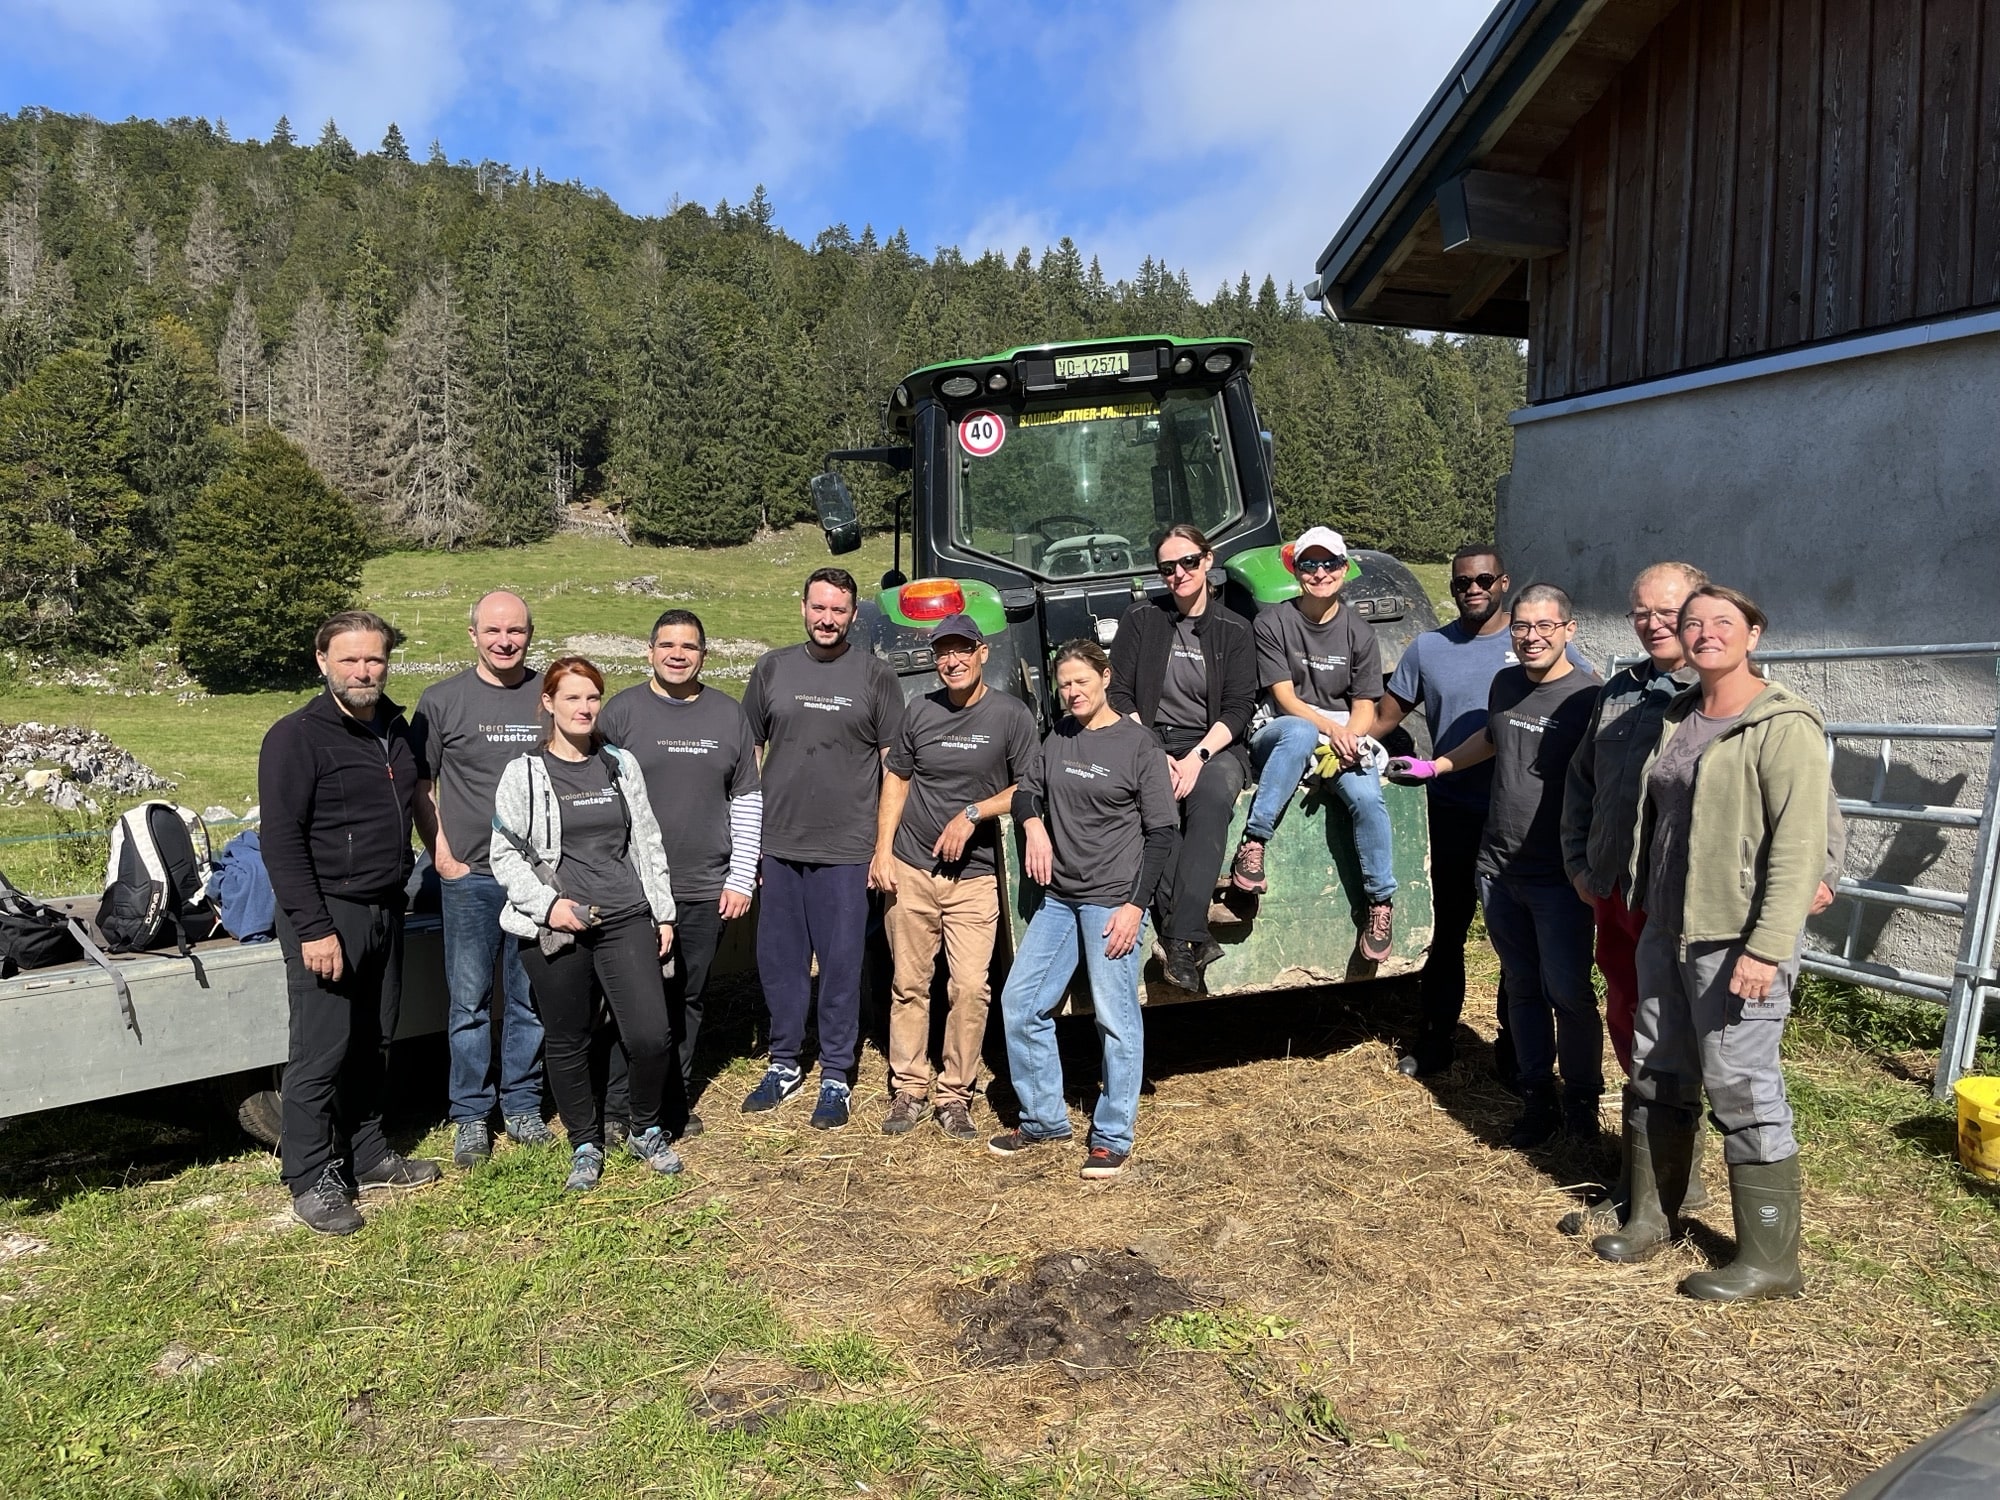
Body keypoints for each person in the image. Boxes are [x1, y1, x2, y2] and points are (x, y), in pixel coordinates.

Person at [1562, 563, 1842, 1232]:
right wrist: (1581, 861)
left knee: (1731, 1066)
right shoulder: (1626, 696)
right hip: (1634, 898)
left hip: (1716, 911)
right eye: (1641, 612)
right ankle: (1650, 1191)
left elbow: (1807, 812)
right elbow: (1583, 783)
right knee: (1643, 1038)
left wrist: (1813, 877)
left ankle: (1720, 1216)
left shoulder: (1755, 708)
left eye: (1673, 612)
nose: (1657, 624)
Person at [1388, 583, 1603, 1148]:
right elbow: (1492, 737)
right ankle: (1536, 1099)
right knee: (1524, 989)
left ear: (1568, 631)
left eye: (1545, 627)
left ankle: (1582, 1104)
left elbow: (1606, 786)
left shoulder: (1589, 698)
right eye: (1523, 628)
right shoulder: (1506, 684)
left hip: (1559, 875)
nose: (1532, 637)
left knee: (1570, 994)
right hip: (1499, 865)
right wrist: (1437, 765)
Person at [259, 610, 439, 1235]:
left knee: (376, 1039)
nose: (365, 671)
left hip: (387, 904)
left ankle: (366, 1152)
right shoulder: (297, 737)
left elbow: (419, 801)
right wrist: (313, 927)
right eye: (351, 660)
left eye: (375, 660)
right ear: (322, 662)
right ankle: (310, 1177)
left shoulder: (394, 725)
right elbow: (280, 840)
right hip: (328, 909)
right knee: (321, 1049)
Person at [489, 656, 683, 1191]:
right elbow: (504, 855)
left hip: (625, 916)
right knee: (568, 1037)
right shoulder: (523, 773)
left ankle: (644, 1127)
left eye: (592, 697)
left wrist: (662, 912)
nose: (584, 707)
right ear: (548, 703)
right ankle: (585, 1142)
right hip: (558, 924)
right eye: (571, 697)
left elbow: (647, 840)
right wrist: (548, 907)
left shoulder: (620, 764)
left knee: (649, 1035)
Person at [992, 640, 1178, 1179]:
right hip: (1060, 900)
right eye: (1064, 684)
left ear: (1105, 677)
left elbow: (1162, 832)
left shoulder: (1138, 744)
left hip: (1111, 901)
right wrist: (1032, 826)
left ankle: (1113, 1134)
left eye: (1081, 681)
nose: (1072, 692)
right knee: (1021, 1003)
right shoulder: (1058, 738)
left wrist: (1133, 908)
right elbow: (1028, 792)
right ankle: (1044, 1118)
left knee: (1115, 1019)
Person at [740, 567, 905, 1130]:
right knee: (781, 962)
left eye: (838, 610)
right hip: (780, 845)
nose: (827, 619)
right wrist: (749, 845)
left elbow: (893, 768)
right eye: (818, 608)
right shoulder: (773, 669)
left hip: (847, 846)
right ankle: (784, 1062)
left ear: (854, 615)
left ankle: (836, 1073)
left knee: (840, 965)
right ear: (803, 608)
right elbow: (749, 756)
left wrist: (883, 846)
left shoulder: (876, 676)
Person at [870, 613, 1039, 1141]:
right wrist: (882, 852)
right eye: (943, 651)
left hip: (975, 878)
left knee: (969, 987)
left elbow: (1027, 787)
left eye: (962, 649)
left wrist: (973, 814)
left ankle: (954, 1093)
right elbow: (896, 779)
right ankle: (909, 1088)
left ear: (982, 652)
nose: (952, 660)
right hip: (911, 869)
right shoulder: (919, 710)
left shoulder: (1011, 715)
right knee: (909, 984)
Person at [597, 608, 762, 1143]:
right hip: (632, 889)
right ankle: (620, 1107)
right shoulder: (620, 713)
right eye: (666, 644)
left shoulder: (726, 715)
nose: (676, 654)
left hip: (701, 884)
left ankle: (674, 1099)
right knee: (632, 1000)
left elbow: (746, 798)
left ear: (703, 656)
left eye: (688, 647)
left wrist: (740, 876)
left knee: (687, 997)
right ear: (649, 652)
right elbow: (593, 797)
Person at [412, 589, 553, 1170]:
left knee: (529, 998)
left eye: (515, 631)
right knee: (469, 1002)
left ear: (530, 633)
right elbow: (421, 787)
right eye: (493, 631)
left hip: (540, 879)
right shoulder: (442, 700)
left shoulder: (549, 695)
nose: (505, 641)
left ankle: (522, 1107)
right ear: (472, 634)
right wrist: (442, 856)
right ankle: (470, 1116)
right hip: (470, 876)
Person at [1231, 526, 1397, 962]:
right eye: (1309, 564)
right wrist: (1331, 729)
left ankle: (1380, 901)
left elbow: (1365, 706)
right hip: (1280, 730)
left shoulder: (1359, 632)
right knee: (1301, 732)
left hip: (1340, 736)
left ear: (1345, 569)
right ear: (1295, 568)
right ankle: (1253, 843)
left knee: (1367, 797)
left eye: (1330, 563)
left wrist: (1349, 737)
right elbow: (1285, 699)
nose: (1320, 572)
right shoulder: (1272, 622)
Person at [1107, 524, 1255, 994]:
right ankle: (1193, 937)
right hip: (1147, 738)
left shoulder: (1234, 629)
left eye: (1188, 562)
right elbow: (1119, 692)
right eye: (1168, 568)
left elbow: (1237, 708)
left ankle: (1177, 933)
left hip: (1212, 743)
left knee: (1212, 796)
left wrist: (1196, 757)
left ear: (1208, 560)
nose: (1179, 574)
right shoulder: (1141, 619)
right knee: (1159, 808)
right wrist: (1153, 750)